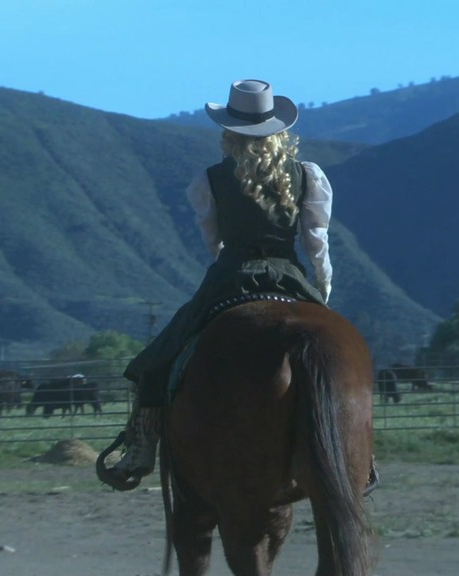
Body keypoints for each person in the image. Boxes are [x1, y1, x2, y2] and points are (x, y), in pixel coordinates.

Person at [102, 79, 335, 489]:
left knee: (157, 359)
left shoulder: (209, 180)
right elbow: (317, 243)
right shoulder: (307, 176)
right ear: (278, 129)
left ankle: (140, 447)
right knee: (333, 356)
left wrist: (228, 269)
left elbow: (215, 244)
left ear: (229, 131)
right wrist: (322, 288)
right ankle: (357, 454)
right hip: (290, 276)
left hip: (231, 275)